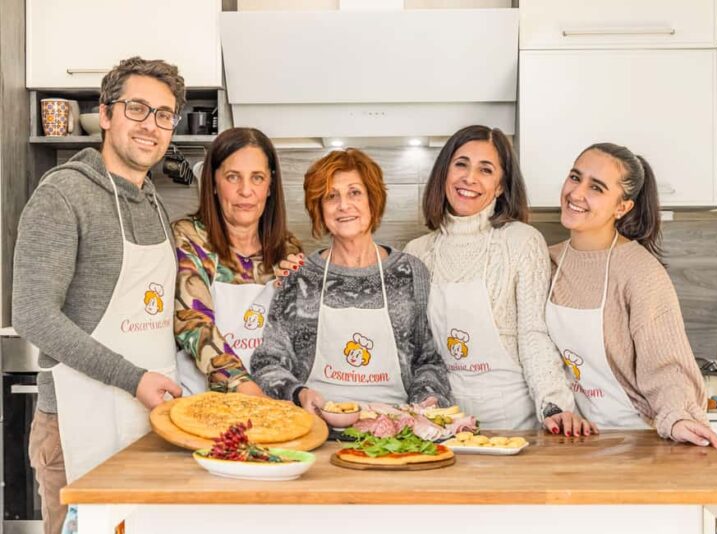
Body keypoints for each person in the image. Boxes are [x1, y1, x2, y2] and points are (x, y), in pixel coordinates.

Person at [13, 56, 186, 534]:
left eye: (164, 114)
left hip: (148, 422)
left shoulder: (153, 201)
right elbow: (32, 314)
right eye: (136, 108)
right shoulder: (63, 195)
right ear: (105, 114)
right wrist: (133, 379)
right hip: (75, 423)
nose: (151, 125)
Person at [405, 125, 593, 434]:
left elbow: (533, 333)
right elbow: (417, 350)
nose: (469, 178)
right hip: (442, 424)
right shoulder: (417, 252)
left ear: (501, 186)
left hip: (512, 422)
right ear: (444, 173)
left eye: (486, 170)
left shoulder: (521, 242)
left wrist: (553, 405)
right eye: (461, 164)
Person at [545, 142, 717, 448]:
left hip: (636, 439)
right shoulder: (547, 261)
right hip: (572, 441)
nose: (576, 193)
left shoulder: (640, 272)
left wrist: (678, 418)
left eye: (596, 187)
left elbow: (666, 366)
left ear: (622, 207)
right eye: (575, 177)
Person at [250, 148, 452, 411]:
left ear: (373, 200)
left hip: (397, 430)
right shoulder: (300, 277)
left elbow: (429, 360)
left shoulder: (410, 272)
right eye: (331, 196)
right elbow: (267, 362)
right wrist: (298, 393)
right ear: (319, 209)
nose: (344, 205)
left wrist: (427, 400)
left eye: (354, 192)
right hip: (318, 427)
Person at [172, 127, 300, 396]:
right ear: (214, 183)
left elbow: (298, 337)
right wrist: (242, 385)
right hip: (202, 400)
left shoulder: (288, 249)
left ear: (269, 186)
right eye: (233, 177)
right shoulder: (188, 237)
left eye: (257, 178)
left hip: (271, 397)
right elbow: (193, 323)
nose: (246, 191)